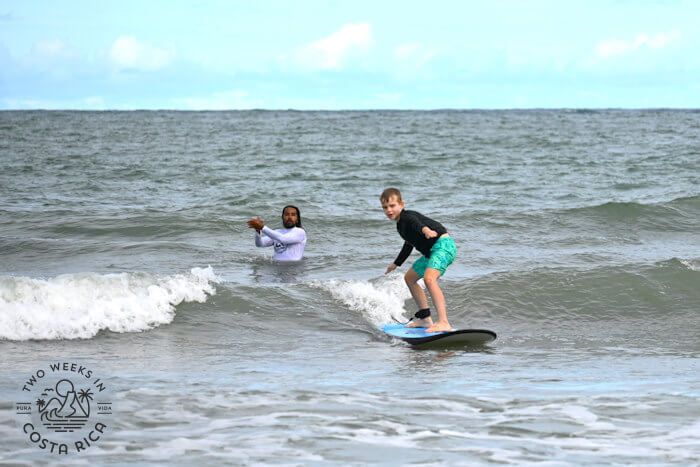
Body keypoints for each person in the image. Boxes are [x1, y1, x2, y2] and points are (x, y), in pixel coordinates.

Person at [380, 188, 456, 332]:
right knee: (409, 278)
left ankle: (444, 322)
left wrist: (426, 231)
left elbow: (417, 224)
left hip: (443, 246)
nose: (389, 210)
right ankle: (426, 319)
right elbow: (408, 244)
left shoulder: (407, 217)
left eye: (392, 206)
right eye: (385, 207)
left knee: (429, 279)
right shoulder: (400, 225)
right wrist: (396, 263)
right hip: (431, 253)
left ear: (401, 204)